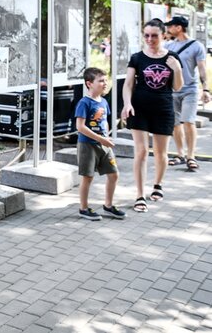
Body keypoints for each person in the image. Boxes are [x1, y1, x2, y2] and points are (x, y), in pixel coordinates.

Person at [121, 19, 183, 213]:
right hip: (139, 108)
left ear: (163, 35)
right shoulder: (137, 58)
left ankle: (157, 184)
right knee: (140, 152)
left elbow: (177, 87)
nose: (150, 39)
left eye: (154, 35)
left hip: (163, 109)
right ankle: (139, 195)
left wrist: (177, 69)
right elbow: (128, 84)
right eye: (146, 35)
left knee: (160, 152)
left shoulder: (172, 57)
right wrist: (127, 103)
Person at [74, 67, 125, 220]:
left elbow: (105, 121)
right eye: (101, 81)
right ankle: (83, 208)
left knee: (114, 174)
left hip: (104, 144)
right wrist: (100, 139)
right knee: (87, 177)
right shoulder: (84, 102)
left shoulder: (103, 101)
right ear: (89, 83)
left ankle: (108, 206)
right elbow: (80, 127)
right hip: (87, 145)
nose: (105, 83)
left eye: (105, 80)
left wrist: (106, 137)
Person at [164, 16, 210, 171]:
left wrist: (206, 89)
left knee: (188, 122)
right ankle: (180, 154)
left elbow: (202, 68)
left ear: (178, 28)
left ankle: (191, 156)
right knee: (175, 124)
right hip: (171, 90)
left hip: (190, 89)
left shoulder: (197, 46)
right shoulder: (169, 45)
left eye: (170, 26)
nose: (168, 29)